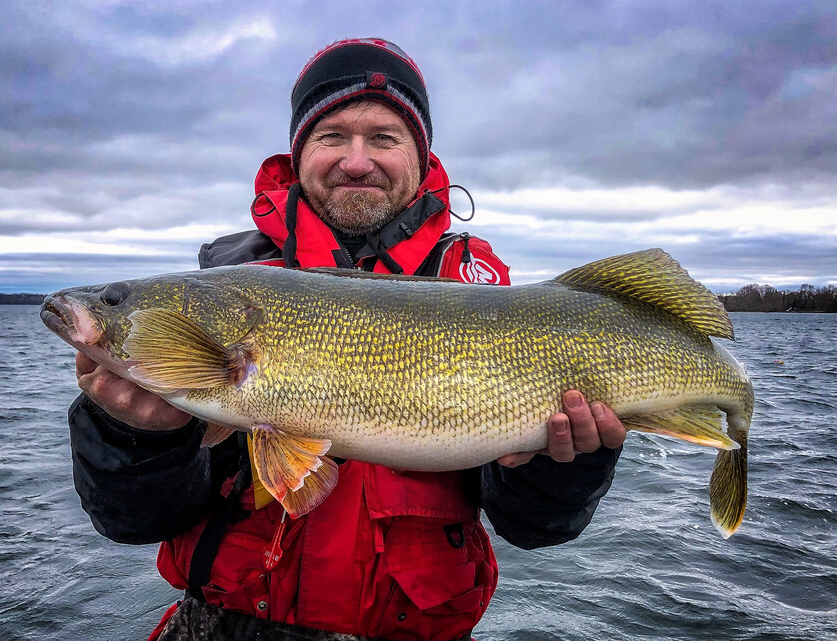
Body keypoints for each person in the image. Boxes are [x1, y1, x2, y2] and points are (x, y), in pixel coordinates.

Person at [68, 38, 627, 641]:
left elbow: (535, 527)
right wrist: (132, 436)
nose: (356, 160)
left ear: (421, 157)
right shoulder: (225, 296)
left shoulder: (489, 301)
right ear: (298, 153)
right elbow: (131, 521)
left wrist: (565, 467)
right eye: (332, 135)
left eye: (384, 138)